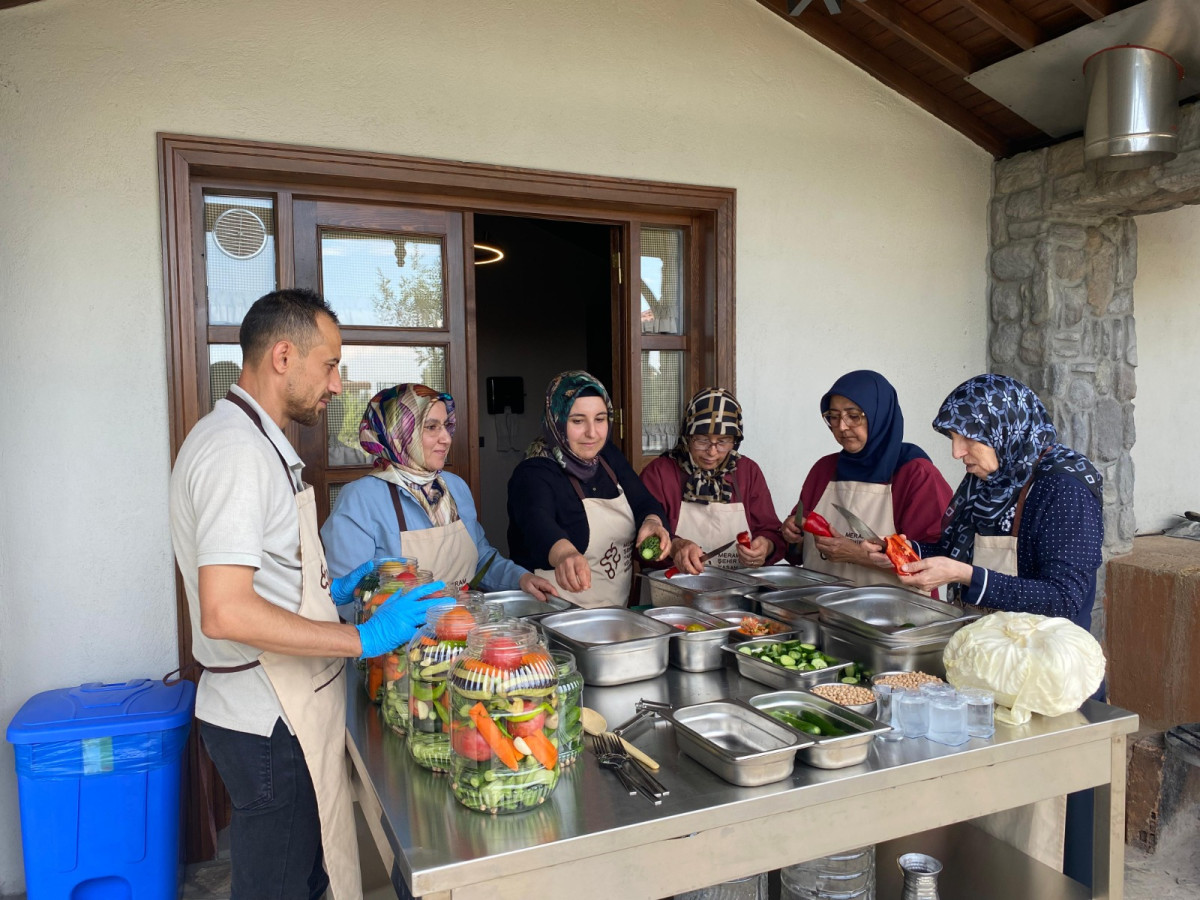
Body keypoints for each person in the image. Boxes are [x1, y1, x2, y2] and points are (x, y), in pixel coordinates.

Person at [169, 289, 442, 900]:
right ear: (284, 356)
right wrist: (362, 637)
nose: (338, 384)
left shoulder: (252, 439)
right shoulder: (236, 453)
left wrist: (324, 587)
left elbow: (260, 573)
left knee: (304, 877)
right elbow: (226, 610)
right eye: (330, 364)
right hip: (268, 718)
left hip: (278, 707)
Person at [881, 373, 1104, 887]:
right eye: (951, 438)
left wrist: (966, 577)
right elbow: (957, 549)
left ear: (1006, 429)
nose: (957, 452)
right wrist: (910, 552)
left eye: (968, 438)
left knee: (1039, 847)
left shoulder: (1063, 487)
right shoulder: (990, 479)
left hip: (1044, 692)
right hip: (986, 678)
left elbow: (1066, 600)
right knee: (986, 837)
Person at [321, 383, 557, 598]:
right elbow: (347, 595)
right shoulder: (360, 499)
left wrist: (521, 578)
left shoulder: (454, 486)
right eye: (431, 427)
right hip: (404, 643)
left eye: (446, 425)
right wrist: (429, 603)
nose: (446, 438)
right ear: (398, 434)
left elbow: (481, 559)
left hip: (465, 631)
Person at [506, 370, 676, 608]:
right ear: (557, 420)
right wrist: (564, 553)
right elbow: (536, 523)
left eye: (600, 419)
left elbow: (643, 502)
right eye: (577, 421)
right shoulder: (533, 472)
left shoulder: (607, 458)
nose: (592, 433)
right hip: (550, 619)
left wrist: (652, 522)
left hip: (613, 616)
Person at [780, 370, 952, 587]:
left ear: (878, 414)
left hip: (898, 616)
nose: (842, 427)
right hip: (822, 610)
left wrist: (857, 555)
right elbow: (796, 553)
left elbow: (937, 562)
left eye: (853, 416)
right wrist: (792, 535)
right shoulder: (824, 469)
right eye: (833, 417)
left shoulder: (915, 474)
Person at [640, 387, 784, 573]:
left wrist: (765, 546)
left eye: (723, 441)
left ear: (735, 440)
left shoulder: (748, 472)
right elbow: (641, 544)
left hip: (735, 592)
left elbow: (772, 532)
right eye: (702, 440)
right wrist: (674, 548)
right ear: (687, 435)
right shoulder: (659, 473)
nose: (712, 451)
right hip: (670, 590)